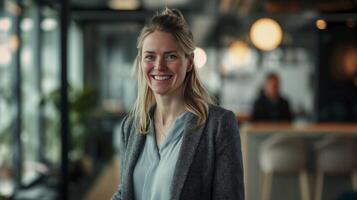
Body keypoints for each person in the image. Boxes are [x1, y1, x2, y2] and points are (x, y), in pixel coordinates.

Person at [111, 8, 244, 200]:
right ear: (141, 61)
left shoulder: (218, 125)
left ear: (189, 62)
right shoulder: (131, 127)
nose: (159, 66)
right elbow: (125, 193)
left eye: (171, 56)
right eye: (150, 56)